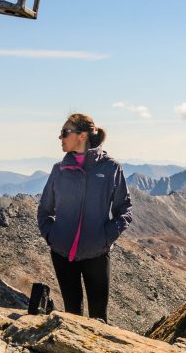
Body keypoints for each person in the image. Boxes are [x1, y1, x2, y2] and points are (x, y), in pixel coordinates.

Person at [37, 113, 132, 321]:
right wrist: (52, 236)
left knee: (99, 318)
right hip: (62, 255)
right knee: (72, 315)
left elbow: (124, 209)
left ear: (82, 136)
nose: (60, 138)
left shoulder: (110, 168)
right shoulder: (59, 170)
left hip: (97, 255)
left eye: (64, 133)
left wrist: (105, 238)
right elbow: (45, 210)